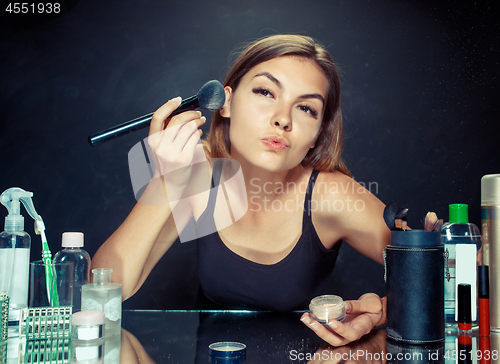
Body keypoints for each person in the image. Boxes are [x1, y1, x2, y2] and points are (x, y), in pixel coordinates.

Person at [91, 34, 390, 347]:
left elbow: (441, 268)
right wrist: (166, 182)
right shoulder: (196, 177)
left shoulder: (332, 194)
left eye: (306, 108)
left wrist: (381, 312)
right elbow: (103, 294)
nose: (282, 119)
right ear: (226, 102)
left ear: (317, 134)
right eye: (265, 92)